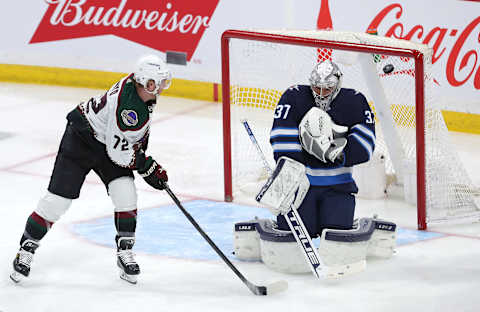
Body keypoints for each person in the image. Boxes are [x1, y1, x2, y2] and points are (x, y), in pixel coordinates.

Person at [10, 54, 172, 285]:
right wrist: (145, 166)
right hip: (81, 139)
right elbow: (120, 154)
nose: (161, 88)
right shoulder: (129, 106)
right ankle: (26, 249)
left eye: (163, 82)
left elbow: (129, 140)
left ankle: (124, 251)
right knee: (57, 201)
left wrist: (144, 162)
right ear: (144, 81)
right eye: (156, 83)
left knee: (125, 193)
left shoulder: (142, 93)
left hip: (108, 142)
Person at [268, 59, 375, 238]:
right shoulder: (293, 96)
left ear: (338, 85)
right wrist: (306, 159)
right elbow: (281, 139)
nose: (321, 94)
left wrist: (339, 153)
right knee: (293, 237)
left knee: (337, 236)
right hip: (297, 187)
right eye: (317, 88)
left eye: (327, 89)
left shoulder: (355, 101)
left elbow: (366, 144)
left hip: (338, 187)